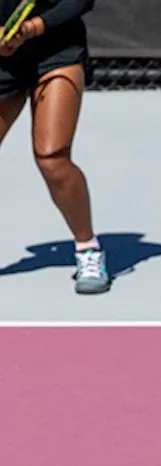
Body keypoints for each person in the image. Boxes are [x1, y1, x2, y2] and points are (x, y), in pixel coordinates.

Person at [0, 0, 108, 294]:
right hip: (2, 59)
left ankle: (88, 249)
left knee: (52, 157)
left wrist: (30, 29)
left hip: (55, 52)